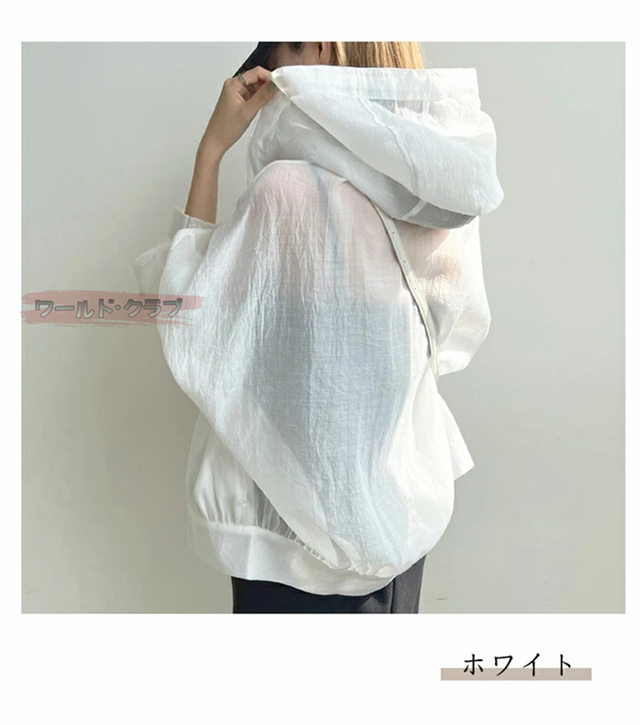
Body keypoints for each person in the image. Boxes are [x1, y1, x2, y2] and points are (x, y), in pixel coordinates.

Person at [133, 42, 504, 614]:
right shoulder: (441, 185)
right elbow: (447, 333)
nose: (273, 71)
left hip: (292, 522)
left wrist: (211, 152)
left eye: (278, 51)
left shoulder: (286, 190)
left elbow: (188, 315)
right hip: (400, 497)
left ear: (322, 45)